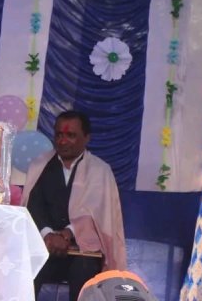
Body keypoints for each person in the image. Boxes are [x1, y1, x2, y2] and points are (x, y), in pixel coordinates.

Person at [22, 110, 126, 301]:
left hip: (83, 252)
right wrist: (48, 234)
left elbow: (98, 215)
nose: (62, 141)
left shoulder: (100, 170)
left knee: (83, 271)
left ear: (87, 138)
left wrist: (68, 233)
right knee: (24, 270)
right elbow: (33, 205)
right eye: (59, 135)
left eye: (70, 135)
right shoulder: (40, 166)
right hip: (45, 247)